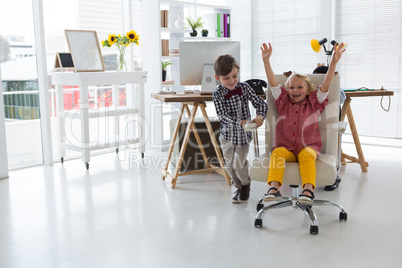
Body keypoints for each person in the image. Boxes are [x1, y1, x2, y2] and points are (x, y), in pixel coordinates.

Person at [260, 42, 346, 205]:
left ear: (308, 89)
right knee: (277, 153)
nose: (295, 90)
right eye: (291, 87)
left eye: (300, 87)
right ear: (287, 90)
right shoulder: (283, 101)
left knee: (307, 156)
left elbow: (326, 86)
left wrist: (333, 62)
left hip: (308, 147)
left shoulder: (315, 102)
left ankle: (307, 190)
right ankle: (274, 188)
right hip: (286, 149)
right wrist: (266, 61)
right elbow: (272, 84)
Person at [212, 54, 268, 204]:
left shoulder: (244, 87)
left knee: (240, 164)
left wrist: (260, 116)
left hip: (243, 137)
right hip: (227, 136)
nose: (231, 81)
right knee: (229, 166)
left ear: (238, 72)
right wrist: (240, 122)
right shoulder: (217, 94)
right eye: (226, 78)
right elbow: (222, 116)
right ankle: (239, 186)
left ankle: (245, 185)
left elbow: (260, 103)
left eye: (234, 76)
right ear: (218, 78)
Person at [312, 64, 345, 191]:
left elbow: (341, 97)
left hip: (331, 126)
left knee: (331, 150)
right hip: (313, 125)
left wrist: (334, 82)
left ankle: (333, 177)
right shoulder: (311, 90)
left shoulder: (336, 90)